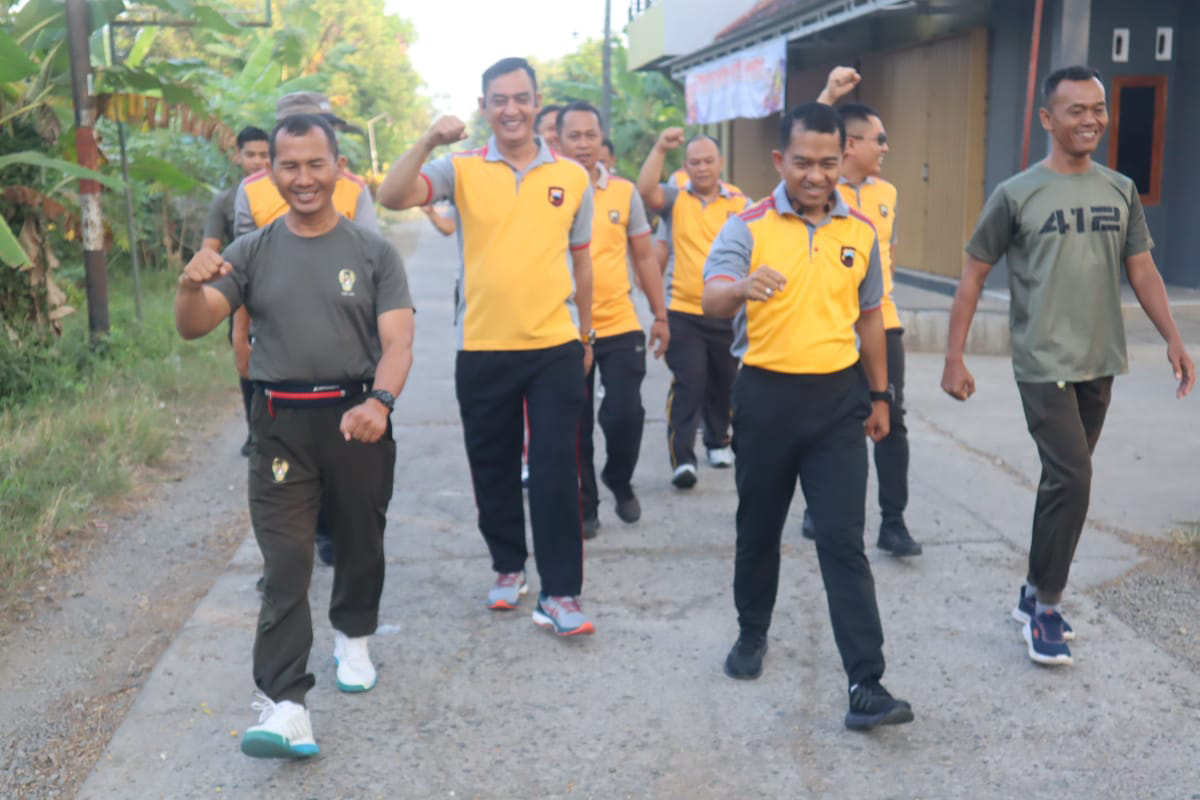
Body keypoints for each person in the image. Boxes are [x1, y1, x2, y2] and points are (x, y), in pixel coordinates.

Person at [174, 113, 415, 758]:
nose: (303, 178)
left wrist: (381, 403)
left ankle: (354, 636)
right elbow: (195, 324)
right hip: (280, 423)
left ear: (338, 168)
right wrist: (189, 285)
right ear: (270, 173)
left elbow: (398, 343)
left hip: (357, 418)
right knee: (286, 563)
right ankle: (286, 705)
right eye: (289, 166)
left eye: (315, 164)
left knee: (360, 538)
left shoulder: (373, 252)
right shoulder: (251, 251)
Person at [942, 65, 1194, 667]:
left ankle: (1033, 591)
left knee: (1062, 482)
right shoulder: (1017, 194)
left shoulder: (1120, 190)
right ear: (1047, 119)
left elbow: (1142, 268)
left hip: (1100, 358)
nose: (1090, 120)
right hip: (1042, 360)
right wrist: (954, 356)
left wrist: (1173, 338)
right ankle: (1048, 609)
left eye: (1098, 108)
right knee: (1074, 478)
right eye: (1076, 110)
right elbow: (973, 274)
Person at [702, 102, 914, 731]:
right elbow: (710, 297)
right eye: (802, 163)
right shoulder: (747, 225)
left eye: (827, 162)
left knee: (843, 541)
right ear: (779, 160)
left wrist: (881, 397)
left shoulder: (861, 232)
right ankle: (751, 632)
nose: (815, 175)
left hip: (837, 405)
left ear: (842, 159)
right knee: (758, 528)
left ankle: (866, 682)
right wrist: (740, 288)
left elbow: (870, 317)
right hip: (765, 399)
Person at [377, 57, 597, 636]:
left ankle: (561, 593)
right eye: (499, 100)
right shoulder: (461, 168)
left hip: (555, 345)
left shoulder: (572, 177)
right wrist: (429, 139)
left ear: (537, 102)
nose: (511, 109)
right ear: (483, 107)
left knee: (555, 471)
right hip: (482, 345)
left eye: (521, 98)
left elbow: (582, 261)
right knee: (493, 466)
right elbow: (392, 195)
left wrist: (587, 333)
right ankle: (508, 567)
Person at [232, 91, 380, 568]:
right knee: (278, 451)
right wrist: (239, 337)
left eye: (319, 127)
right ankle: (293, 545)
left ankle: (335, 528)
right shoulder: (252, 191)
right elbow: (240, 273)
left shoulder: (354, 190)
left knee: (342, 449)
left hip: (342, 347)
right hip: (274, 344)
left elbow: (374, 268)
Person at [802, 68, 921, 556]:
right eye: (879, 139)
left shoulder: (887, 194)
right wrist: (828, 95)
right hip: (827, 320)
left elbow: (888, 254)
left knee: (890, 416)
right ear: (850, 144)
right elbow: (804, 138)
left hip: (882, 322)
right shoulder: (817, 189)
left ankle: (893, 522)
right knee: (823, 419)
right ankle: (818, 506)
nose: (886, 147)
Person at [556, 100, 669, 538]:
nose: (583, 144)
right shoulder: (549, 191)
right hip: (564, 327)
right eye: (574, 136)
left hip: (620, 323)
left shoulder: (624, 192)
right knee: (575, 423)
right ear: (558, 141)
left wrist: (660, 314)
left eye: (591, 135)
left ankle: (619, 479)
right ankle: (585, 505)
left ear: (602, 139)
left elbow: (644, 255)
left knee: (625, 413)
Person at [637, 129, 748, 488]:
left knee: (725, 381)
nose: (702, 168)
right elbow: (645, 191)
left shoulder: (740, 204)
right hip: (683, 311)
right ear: (685, 167)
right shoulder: (676, 200)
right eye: (695, 162)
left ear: (721, 163)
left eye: (708, 161)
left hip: (728, 310)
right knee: (690, 381)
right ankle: (683, 458)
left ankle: (717, 440)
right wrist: (659, 148)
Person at [200, 125, 269, 457]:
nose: (257, 161)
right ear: (237, 157)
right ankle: (255, 431)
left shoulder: (288, 192)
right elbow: (209, 249)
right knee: (246, 361)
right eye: (250, 154)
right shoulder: (226, 201)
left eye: (265, 155)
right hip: (244, 295)